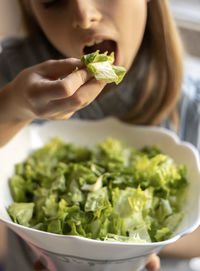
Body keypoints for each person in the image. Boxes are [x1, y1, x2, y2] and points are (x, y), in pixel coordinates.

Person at [0, 0, 199, 270]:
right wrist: (11, 107)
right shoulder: (9, 71)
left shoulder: (192, 106)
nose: (84, 16)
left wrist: (127, 248)